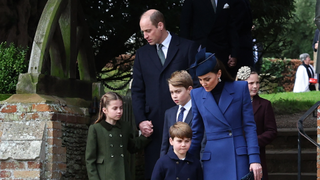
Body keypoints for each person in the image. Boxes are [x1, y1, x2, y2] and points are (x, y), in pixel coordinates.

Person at [131, 9, 199, 179]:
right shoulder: (141, 54)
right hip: (154, 126)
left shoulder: (187, 47)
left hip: (184, 121)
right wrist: (141, 120)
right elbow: (137, 90)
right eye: (143, 32)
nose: (145, 36)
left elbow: (197, 84)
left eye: (148, 30)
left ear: (160, 25)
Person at [188, 48, 262, 180]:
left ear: (219, 73)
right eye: (200, 80)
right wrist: (186, 159)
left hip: (237, 155)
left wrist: (254, 158)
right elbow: (197, 132)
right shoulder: (196, 94)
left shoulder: (240, 88)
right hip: (212, 159)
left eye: (207, 79)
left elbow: (249, 127)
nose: (203, 84)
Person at [85, 92, 151, 180]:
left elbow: (132, 146)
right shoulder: (96, 129)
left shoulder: (125, 127)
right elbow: (90, 160)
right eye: (115, 108)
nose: (119, 111)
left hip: (124, 175)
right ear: (105, 110)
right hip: (105, 176)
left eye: (121, 108)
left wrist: (146, 136)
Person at [237, 66, 278, 180]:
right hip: (236, 154)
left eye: (257, 82)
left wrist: (253, 141)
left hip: (256, 155)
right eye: (251, 83)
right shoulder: (233, 104)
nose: (255, 86)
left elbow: (272, 131)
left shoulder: (265, 105)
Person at [179, 0, 239, 76]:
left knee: (221, 81)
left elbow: (232, 28)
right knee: (201, 81)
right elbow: (185, 25)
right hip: (199, 50)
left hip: (222, 51)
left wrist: (234, 53)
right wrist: (185, 52)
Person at [160, 70, 193, 156]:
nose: (174, 96)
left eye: (178, 91)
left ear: (189, 89)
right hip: (171, 163)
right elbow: (165, 143)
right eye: (172, 92)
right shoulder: (169, 113)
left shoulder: (198, 111)